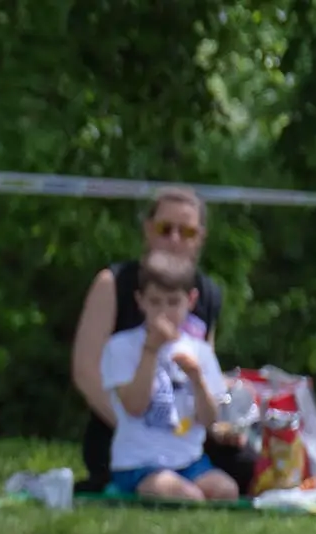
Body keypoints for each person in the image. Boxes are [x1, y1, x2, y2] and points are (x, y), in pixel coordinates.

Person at [70, 187, 227, 491]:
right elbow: (86, 372)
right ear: (148, 229)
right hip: (123, 433)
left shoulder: (207, 293)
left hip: (185, 439)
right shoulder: (113, 283)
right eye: (165, 229)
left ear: (200, 238)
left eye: (187, 232)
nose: (175, 239)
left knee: (240, 469)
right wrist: (138, 431)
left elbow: (206, 373)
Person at [98, 252, 238, 501]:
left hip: (189, 461)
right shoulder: (121, 347)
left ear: (191, 300)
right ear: (140, 301)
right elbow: (134, 407)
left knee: (226, 490)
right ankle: (130, 489)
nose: (164, 311)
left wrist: (197, 379)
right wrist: (150, 350)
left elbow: (209, 420)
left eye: (173, 302)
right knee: (187, 496)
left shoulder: (200, 351)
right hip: (138, 463)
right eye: (155, 302)